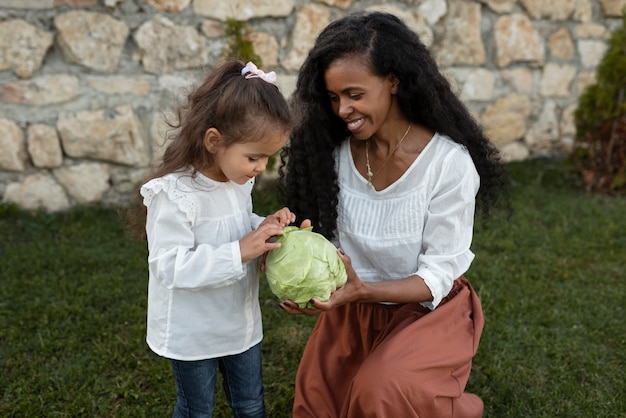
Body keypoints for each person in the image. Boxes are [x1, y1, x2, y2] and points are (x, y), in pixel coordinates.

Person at [278, 11, 508, 418]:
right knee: (317, 404)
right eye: (333, 98)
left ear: (394, 81)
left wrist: (364, 290)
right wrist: (309, 285)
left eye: (354, 94)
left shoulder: (447, 165)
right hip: (354, 313)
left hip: (427, 312)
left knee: (381, 389)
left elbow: (437, 275)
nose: (342, 109)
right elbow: (331, 248)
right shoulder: (332, 157)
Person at [139, 59, 295, 418]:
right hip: (193, 330)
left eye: (267, 158)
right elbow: (168, 267)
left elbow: (235, 224)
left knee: (251, 404)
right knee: (197, 410)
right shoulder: (175, 194)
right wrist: (240, 252)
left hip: (238, 323)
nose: (261, 168)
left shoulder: (237, 180)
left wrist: (264, 225)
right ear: (214, 141)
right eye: (254, 157)